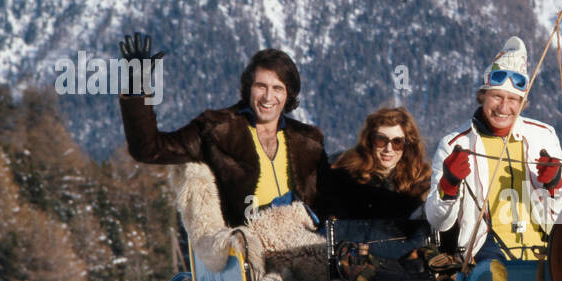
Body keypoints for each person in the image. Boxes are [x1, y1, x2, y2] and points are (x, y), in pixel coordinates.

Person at [116, 33, 408, 224]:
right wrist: (137, 87)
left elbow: (336, 197)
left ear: (288, 95)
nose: (268, 97)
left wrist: (410, 208)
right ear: (248, 88)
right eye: (261, 86)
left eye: (277, 88)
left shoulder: (307, 142)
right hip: (246, 254)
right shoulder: (216, 130)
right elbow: (148, 150)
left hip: (301, 242)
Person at [425, 35, 562, 262]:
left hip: (547, 255)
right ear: (482, 96)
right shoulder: (455, 145)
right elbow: (437, 220)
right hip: (485, 259)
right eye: (496, 96)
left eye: (513, 99)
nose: (504, 107)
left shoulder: (544, 135)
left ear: (523, 102)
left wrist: (556, 186)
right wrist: (449, 185)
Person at [331, 106, 432, 222]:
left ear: (408, 144)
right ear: (370, 140)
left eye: (397, 142)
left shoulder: (421, 182)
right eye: (381, 140)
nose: (388, 149)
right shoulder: (346, 176)